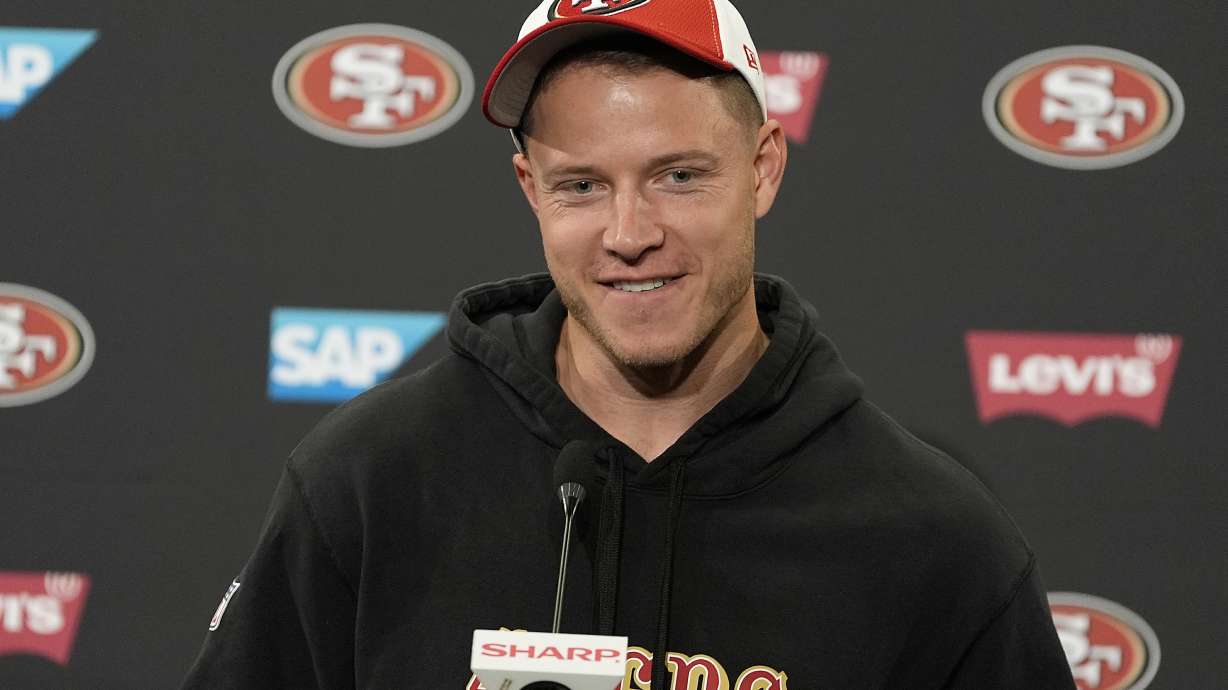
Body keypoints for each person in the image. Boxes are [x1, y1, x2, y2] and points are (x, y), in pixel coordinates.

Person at [183, 0, 1077, 688]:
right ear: (529, 188)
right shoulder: (370, 482)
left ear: (763, 168)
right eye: (581, 186)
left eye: (678, 176)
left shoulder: (934, 540)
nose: (629, 233)